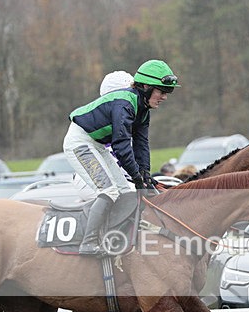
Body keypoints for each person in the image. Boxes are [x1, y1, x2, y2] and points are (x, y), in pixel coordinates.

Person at [63, 59, 179, 255]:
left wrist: (146, 176)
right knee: (109, 191)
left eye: (168, 92)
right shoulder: (125, 102)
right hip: (79, 142)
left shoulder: (143, 109)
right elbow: (121, 145)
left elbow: (141, 146)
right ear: (145, 87)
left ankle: (114, 237)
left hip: (96, 145)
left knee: (126, 192)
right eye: (161, 91)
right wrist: (137, 177)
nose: (165, 97)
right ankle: (88, 242)